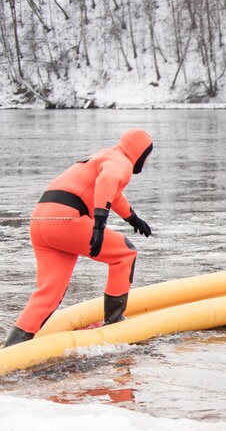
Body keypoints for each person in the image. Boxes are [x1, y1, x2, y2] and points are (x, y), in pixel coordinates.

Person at [3, 128, 154, 347]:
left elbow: (112, 193)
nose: (146, 161)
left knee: (49, 292)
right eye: (147, 155)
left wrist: (132, 218)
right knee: (125, 253)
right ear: (139, 152)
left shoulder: (103, 156)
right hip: (66, 218)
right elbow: (107, 181)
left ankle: (12, 348)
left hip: (41, 220)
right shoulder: (121, 161)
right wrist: (99, 225)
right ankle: (114, 322)